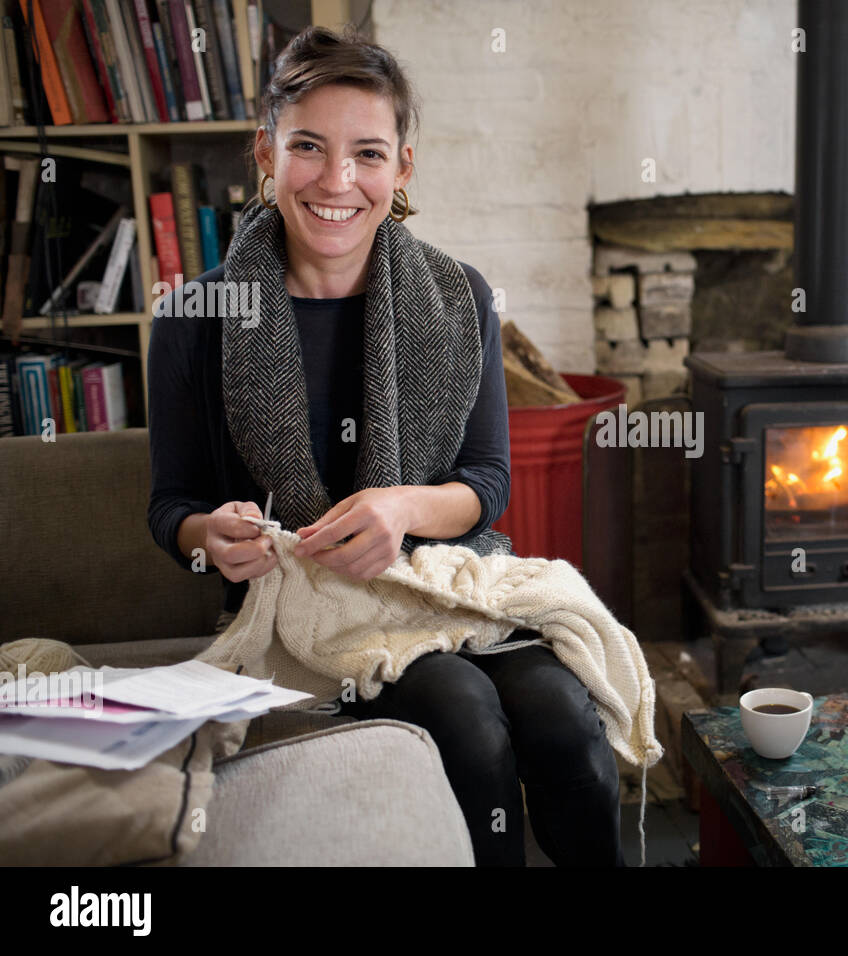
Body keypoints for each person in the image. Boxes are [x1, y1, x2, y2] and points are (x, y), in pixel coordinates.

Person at [146, 26, 624, 867]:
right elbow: (171, 507)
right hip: (303, 608)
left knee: (566, 723)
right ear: (266, 152)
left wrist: (400, 509)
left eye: (368, 153)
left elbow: (487, 483)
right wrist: (204, 537)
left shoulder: (457, 296)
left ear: (402, 167)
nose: (337, 181)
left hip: (444, 582)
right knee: (469, 729)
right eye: (307, 147)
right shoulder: (197, 319)